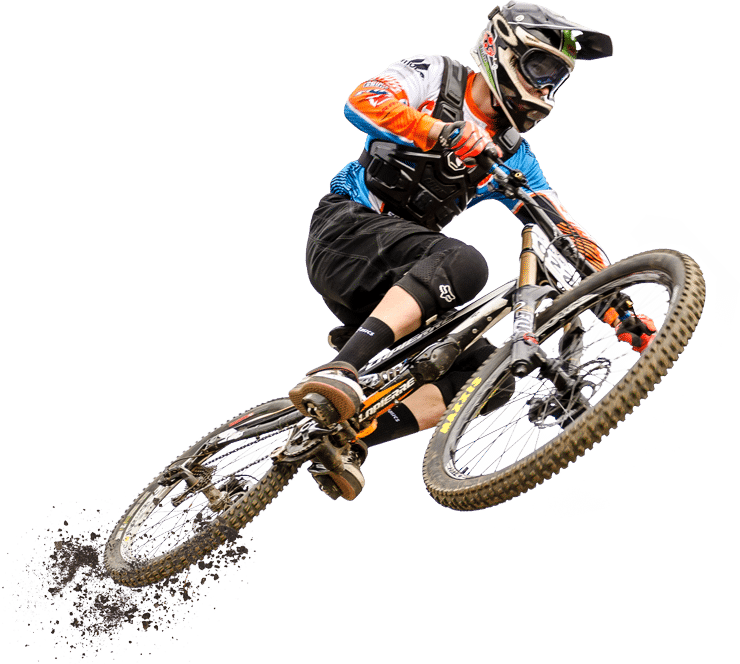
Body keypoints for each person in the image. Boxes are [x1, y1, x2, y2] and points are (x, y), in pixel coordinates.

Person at [287, 2, 656, 498]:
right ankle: (339, 371)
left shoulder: (514, 153)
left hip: (400, 279)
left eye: (558, 78)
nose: (546, 86)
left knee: (488, 378)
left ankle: (345, 440)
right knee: (464, 263)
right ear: (502, 51)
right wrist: (440, 131)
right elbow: (363, 102)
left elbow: (563, 228)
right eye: (541, 67)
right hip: (346, 231)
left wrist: (616, 306)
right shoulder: (436, 75)